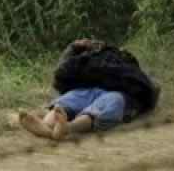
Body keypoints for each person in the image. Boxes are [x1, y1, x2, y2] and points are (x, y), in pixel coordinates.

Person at [18, 38, 161, 140]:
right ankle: (47, 127)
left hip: (119, 94)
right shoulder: (87, 58)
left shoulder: (129, 67)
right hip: (89, 88)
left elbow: (151, 89)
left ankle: (67, 127)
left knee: (110, 102)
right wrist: (73, 47)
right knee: (68, 100)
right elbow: (60, 73)